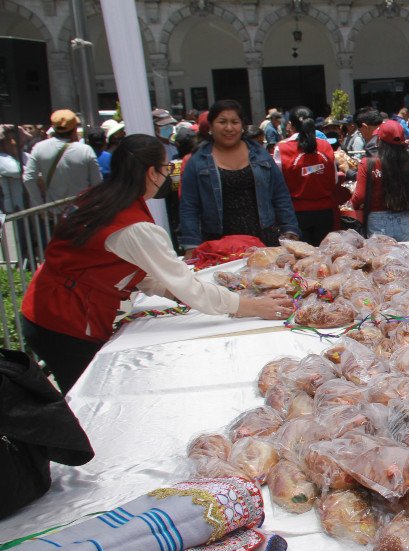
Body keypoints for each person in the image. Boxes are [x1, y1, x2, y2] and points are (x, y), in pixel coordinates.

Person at [19, 134, 292, 392]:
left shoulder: (99, 198)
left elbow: (130, 265)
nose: (168, 176)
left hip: (44, 308)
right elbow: (189, 287)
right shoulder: (133, 225)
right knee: (85, 397)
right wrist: (249, 306)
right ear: (152, 173)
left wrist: (170, 290)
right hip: (65, 321)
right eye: (166, 169)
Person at [179, 99, 300, 255]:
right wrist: (191, 246)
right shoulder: (197, 162)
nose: (229, 128)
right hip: (220, 245)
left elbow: (280, 194)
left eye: (234, 122)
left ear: (242, 126)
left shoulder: (260, 154)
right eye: (222, 122)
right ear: (210, 126)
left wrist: (290, 229)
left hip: (264, 240)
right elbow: (189, 207)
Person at [275, 106, 342, 245]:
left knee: (301, 259)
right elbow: (334, 179)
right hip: (325, 212)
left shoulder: (282, 148)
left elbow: (277, 185)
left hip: (295, 214)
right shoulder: (326, 146)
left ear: (291, 125)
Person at [350, 120, 409, 241]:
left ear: (379, 140)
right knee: (405, 258)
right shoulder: (408, 165)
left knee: (380, 259)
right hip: (403, 219)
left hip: (377, 221)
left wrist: (351, 205)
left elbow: (359, 196)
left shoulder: (367, 163)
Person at [22, 110, 101, 206]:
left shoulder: (39, 148)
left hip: (54, 212)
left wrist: (40, 205)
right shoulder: (85, 150)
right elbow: (97, 182)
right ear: (74, 129)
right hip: (82, 211)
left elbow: (28, 179)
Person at [0, 125, 26, 213]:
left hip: (31, 206)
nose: (13, 143)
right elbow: (17, 171)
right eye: (8, 140)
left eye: (15, 138)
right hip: (16, 210)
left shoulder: (23, 155)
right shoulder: (2, 158)